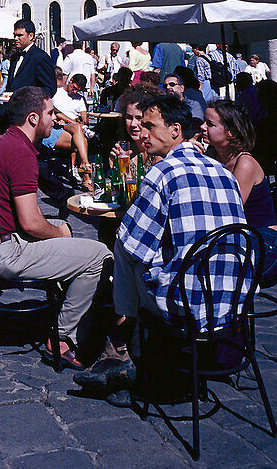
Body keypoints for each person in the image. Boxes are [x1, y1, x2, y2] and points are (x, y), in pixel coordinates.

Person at [79, 92, 247, 395]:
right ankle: (125, 346)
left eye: (150, 126)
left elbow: (131, 244)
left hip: (185, 305)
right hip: (232, 304)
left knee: (123, 248)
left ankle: (119, 346)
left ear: (174, 130)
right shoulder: (224, 171)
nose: (143, 134)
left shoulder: (163, 171)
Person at [0, 86, 111, 368]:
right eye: (51, 114)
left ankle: (71, 309)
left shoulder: (9, 142)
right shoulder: (21, 152)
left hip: (0, 241)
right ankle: (62, 337)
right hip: (6, 252)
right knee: (100, 255)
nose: (56, 120)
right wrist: (59, 232)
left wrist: (57, 229)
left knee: (65, 228)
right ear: (34, 118)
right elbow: (30, 222)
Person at [201, 101, 277, 281]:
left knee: (206, 264)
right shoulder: (212, 155)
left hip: (264, 242)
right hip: (238, 235)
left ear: (230, 132)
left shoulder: (244, 163)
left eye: (210, 124)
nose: (202, 127)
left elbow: (229, 211)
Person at [5, 19, 57, 99]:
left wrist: (30, 99)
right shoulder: (14, 57)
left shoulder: (40, 57)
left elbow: (49, 88)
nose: (15, 38)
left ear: (31, 36)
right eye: (14, 35)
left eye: (19, 35)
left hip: (30, 108)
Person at [253, 79, 277, 175]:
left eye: (260, 95)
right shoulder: (266, 112)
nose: (257, 98)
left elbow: (261, 141)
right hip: (264, 155)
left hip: (264, 158)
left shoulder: (273, 117)